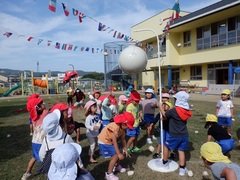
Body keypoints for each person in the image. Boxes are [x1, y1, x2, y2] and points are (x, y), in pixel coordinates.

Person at [156, 91, 192, 176]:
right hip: (184, 135)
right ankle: (182, 168)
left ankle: (164, 163)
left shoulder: (174, 110)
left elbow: (165, 114)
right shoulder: (186, 111)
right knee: (181, 150)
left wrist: (160, 106)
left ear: (177, 100)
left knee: (166, 146)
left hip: (174, 135)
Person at [38, 109, 78, 174]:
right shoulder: (66, 138)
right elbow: (75, 152)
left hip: (51, 171)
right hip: (66, 170)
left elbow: (41, 155)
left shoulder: (46, 139)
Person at [98, 112, 134, 180]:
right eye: (128, 126)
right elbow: (114, 142)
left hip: (110, 141)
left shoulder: (123, 129)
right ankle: (109, 174)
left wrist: (125, 149)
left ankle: (117, 166)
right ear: (123, 123)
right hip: (104, 141)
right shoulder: (114, 127)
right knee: (116, 156)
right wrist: (119, 154)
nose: (128, 128)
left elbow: (123, 140)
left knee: (120, 150)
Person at [22, 97, 48, 180]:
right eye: (42, 103)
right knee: (47, 158)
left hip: (34, 141)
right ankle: (49, 173)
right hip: (41, 142)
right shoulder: (45, 113)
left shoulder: (33, 115)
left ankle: (27, 173)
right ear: (38, 106)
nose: (44, 104)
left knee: (34, 157)